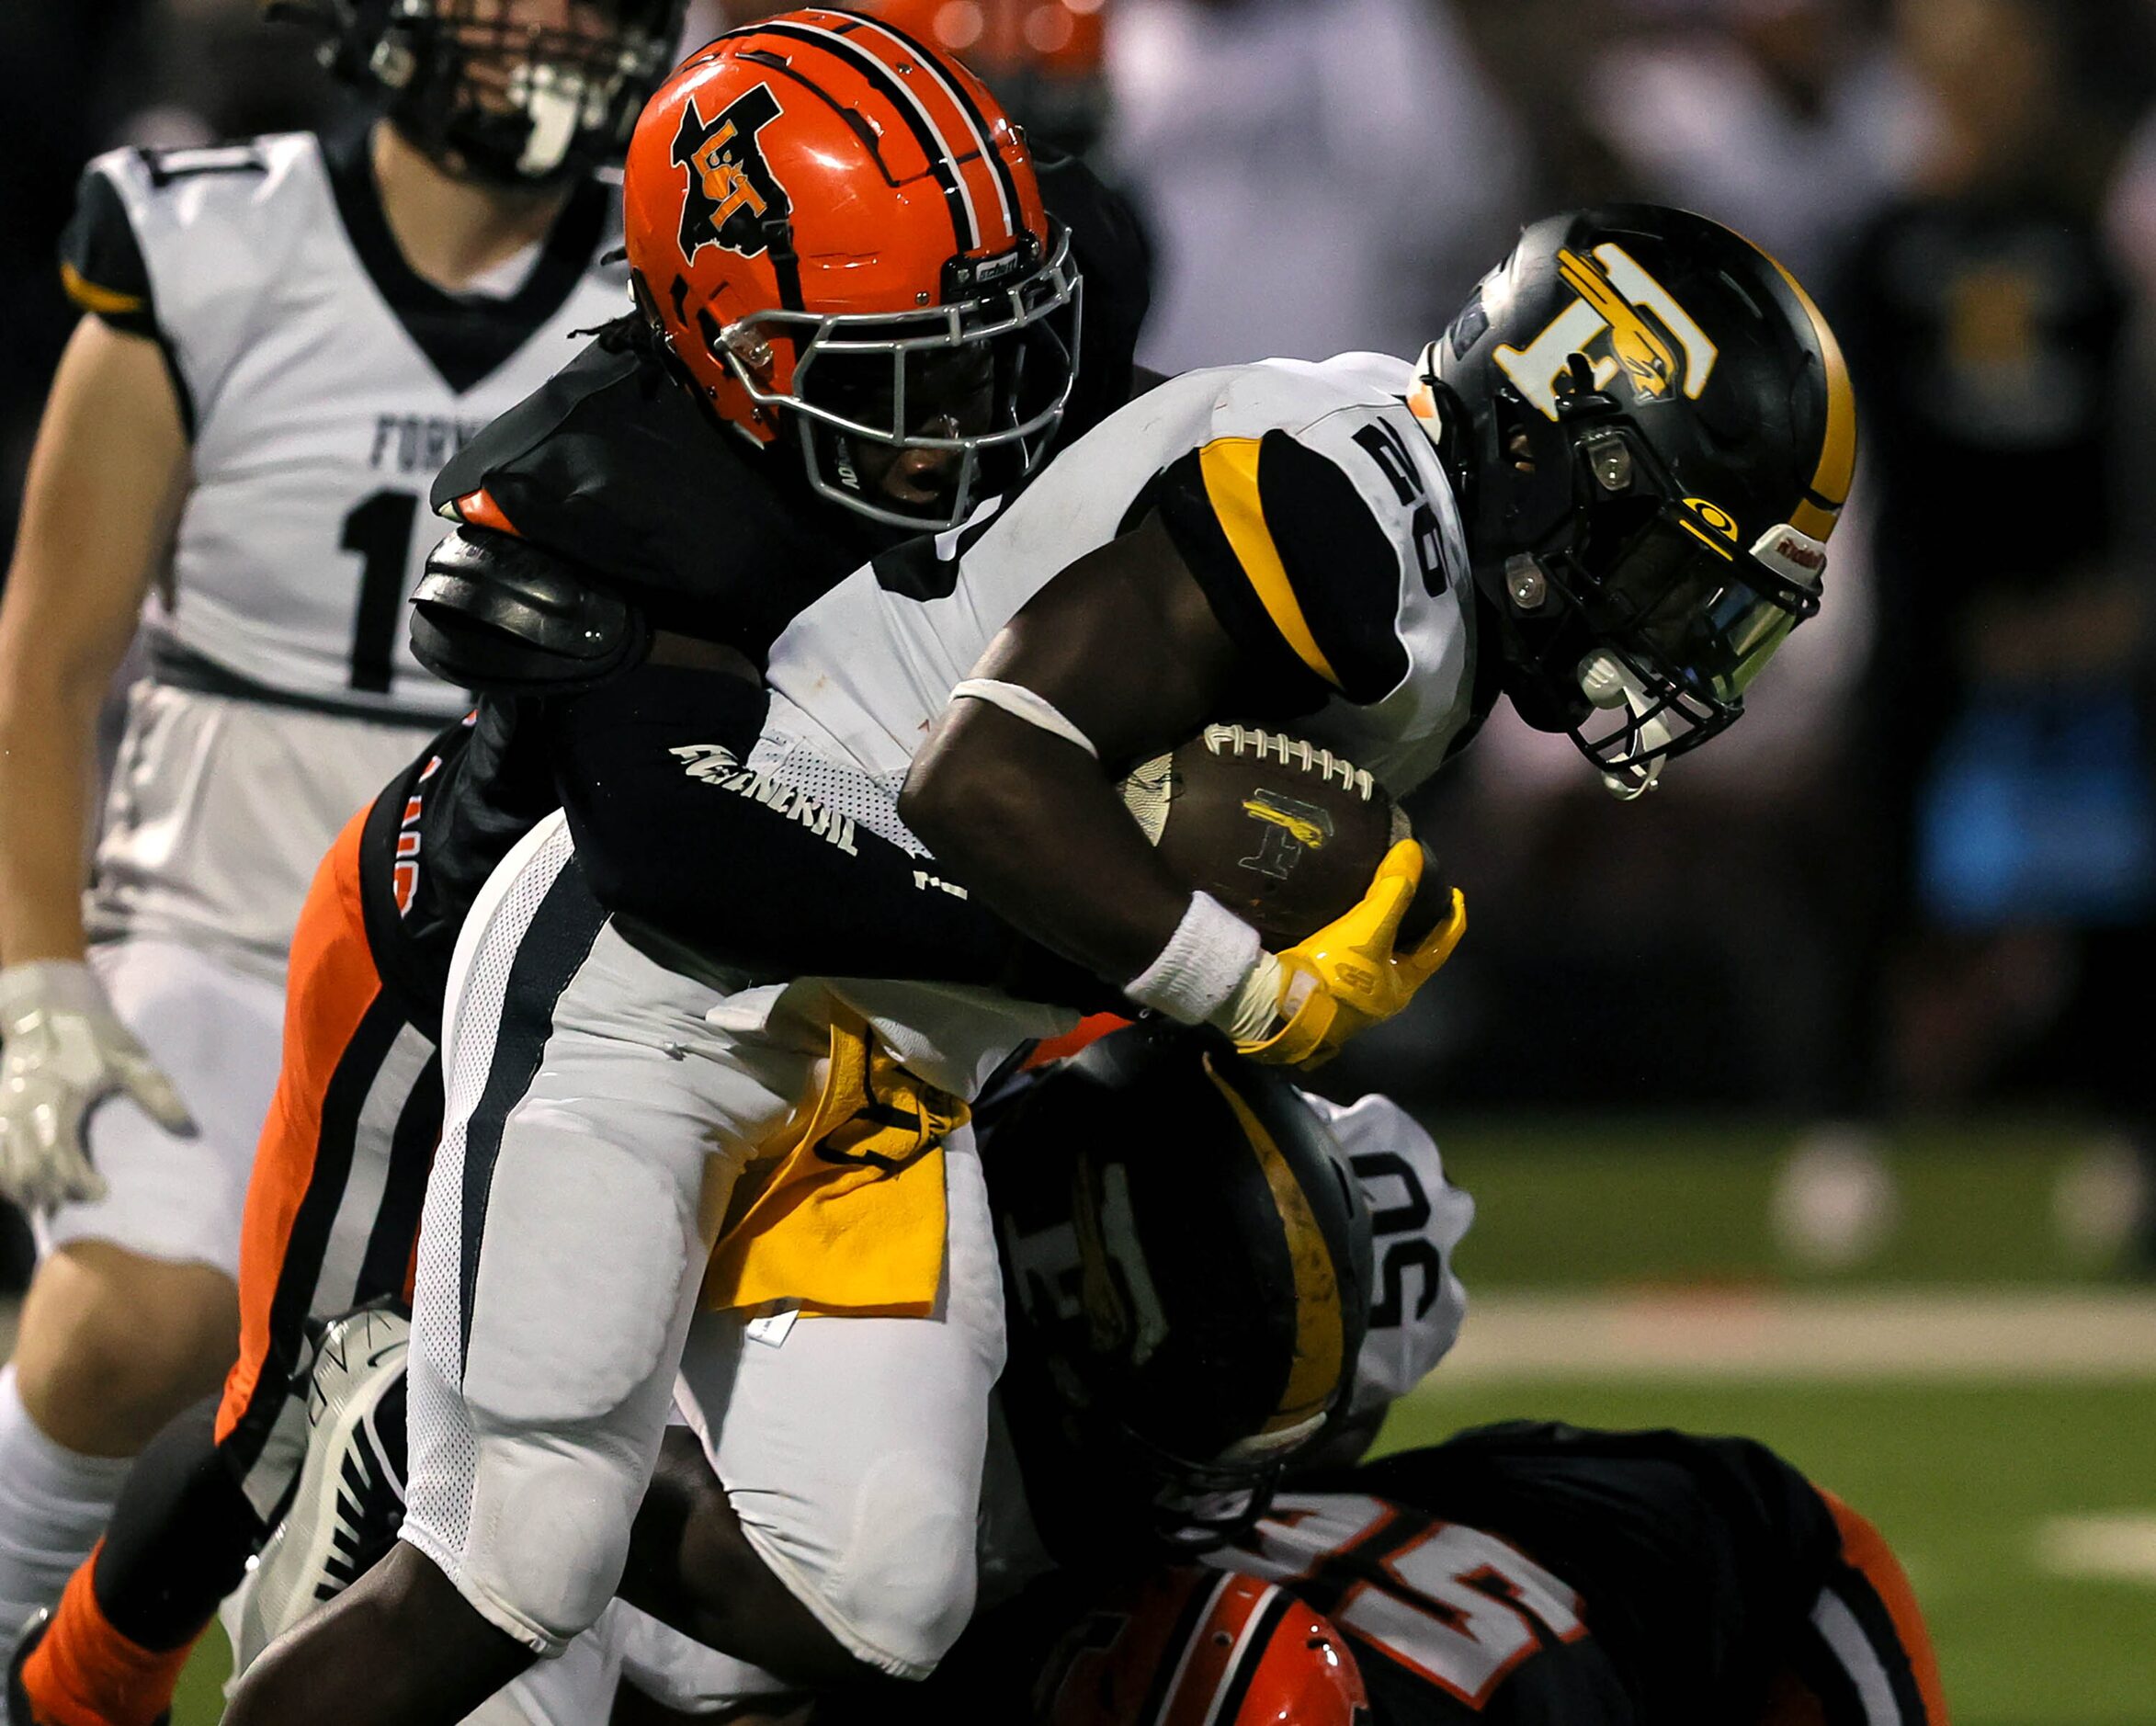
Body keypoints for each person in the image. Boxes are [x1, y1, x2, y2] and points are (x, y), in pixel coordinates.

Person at [221, 204, 1853, 1723]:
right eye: (1666, 563)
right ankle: (441, 1457)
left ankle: (467, 1442)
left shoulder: (1392, 502)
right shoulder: (1357, 524)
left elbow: (1106, 784)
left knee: (879, 1598)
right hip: (679, 969)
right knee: (517, 1565)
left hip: (885, 1052)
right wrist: (1240, 978)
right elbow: (981, 773)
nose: (1672, 632)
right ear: (1573, 457)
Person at [7, 6, 1155, 1723]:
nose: (973, 420)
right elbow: (683, 831)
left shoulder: (793, 326)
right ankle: (64, 1677)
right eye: (908, 367)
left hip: (716, 985)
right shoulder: (586, 442)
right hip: (404, 941)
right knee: (239, 1384)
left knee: (795, 1562)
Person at [0, 0, 684, 1698]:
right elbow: (47, 656)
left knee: (631, 1487)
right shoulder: (203, 237)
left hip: (517, 977)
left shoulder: (664, 293)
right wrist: (32, 971)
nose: (554, 28)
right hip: (218, 928)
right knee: (135, 1326)